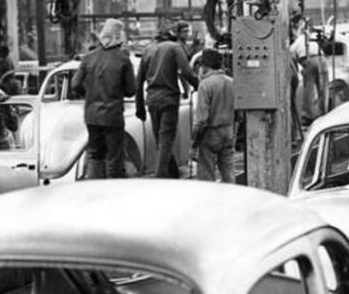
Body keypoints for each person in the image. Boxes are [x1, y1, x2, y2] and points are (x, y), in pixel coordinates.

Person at [70, 18, 135, 179]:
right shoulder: (123, 60)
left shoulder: (88, 58)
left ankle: (95, 191)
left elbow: (75, 84)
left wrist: (89, 93)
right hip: (112, 116)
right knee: (114, 157)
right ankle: (112, 193)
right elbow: (130, 90)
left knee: (95, 155)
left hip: (91, 116)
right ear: (119, 38)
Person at [135, 23, 198, 178]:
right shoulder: (175, 47)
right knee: (166, 141)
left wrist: (140, 107)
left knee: (160, 141)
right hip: (169, 100)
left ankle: (173, 174)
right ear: (173, 36)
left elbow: (139, 82)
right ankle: (161, 178)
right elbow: (187, 72)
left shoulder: (148, 50)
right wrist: (199, 86)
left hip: (152, 101)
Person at [192, 48, 235, 183]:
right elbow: (238, 112)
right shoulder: (231, 82)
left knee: (206, 175)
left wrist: (194, 144)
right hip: (228, 131)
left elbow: (201, 121)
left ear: (204, 66)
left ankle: (208, 202)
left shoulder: (205, 85)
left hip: (210, 134)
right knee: (228, 171)